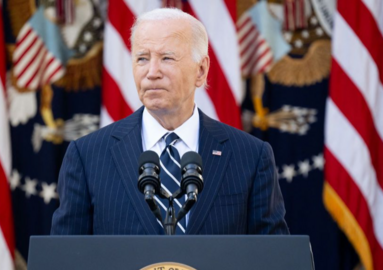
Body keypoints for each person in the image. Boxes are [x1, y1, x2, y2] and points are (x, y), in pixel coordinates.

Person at [51, 8, 289, 235]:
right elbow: (65, 257)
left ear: (201, 71)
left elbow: (273, 257)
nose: (152, 72)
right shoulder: (87, 156)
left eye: (167, 58)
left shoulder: (250, 156)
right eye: (142, 58)